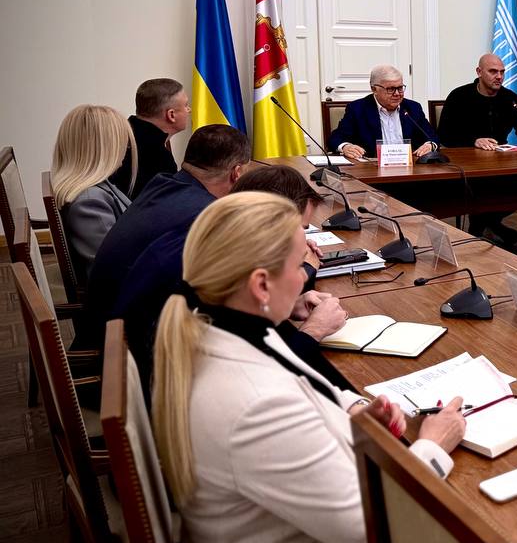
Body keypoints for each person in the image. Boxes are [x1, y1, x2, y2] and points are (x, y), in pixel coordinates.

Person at [151, 193, 466, 543]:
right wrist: (433, 448)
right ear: (261, 284)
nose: (306, 277)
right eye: (300, 265)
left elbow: (303, 383)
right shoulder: (255, 403)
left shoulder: (221, 328)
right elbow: (366, 527)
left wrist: (357, 410)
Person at [114, 164, 349, 394]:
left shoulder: (204, 243)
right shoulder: (199, 272)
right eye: (299, 228)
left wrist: (284, 305)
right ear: (269, 219)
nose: (303, 241)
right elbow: (258, 381)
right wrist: (312, 331)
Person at [83, 125, 252, 351]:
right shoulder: (202, 215)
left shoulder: (164, 184)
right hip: (121, 345)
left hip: (106, 319)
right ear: (237, 172)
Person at [438, 53, 517, 246]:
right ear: (479, 72)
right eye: (493, 71)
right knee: (480, 188)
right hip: (467, 165)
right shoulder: (459, 96)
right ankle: (489, 227)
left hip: (500, 163)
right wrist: (474, 140)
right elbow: (444, 135)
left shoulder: (510, 99)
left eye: (502, 72)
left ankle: (484, 226)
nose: (499, 77)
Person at [50, 104, 137, 285]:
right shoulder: (89, 202)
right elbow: (113, 270)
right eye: (123, 142)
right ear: (106, 148)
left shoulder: (97, 188)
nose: (126, 148)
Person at [328, 64, 440, 161]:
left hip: (410, 168)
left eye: (400, 88)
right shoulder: (358, 109)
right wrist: (346, 147)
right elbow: (336, 138)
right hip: (372, 169)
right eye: (390, 89)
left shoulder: (412, 108)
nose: (397, 94)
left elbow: (432, 136)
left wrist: (430, 145)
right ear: (374, 89)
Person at [108, 78, 189, 197]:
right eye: (186, 105)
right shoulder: (157, 157)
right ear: (171, 115)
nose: (189, 110)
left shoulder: (116, 136)